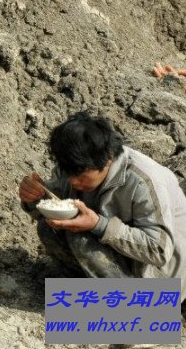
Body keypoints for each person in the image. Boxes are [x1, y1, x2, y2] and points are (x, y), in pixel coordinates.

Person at [19, 112, 186, 300]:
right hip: (126, 262)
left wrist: (99, 225)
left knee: (80, 240)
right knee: (48, 228)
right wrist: (35, 197)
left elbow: (159, 251)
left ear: (107, 160)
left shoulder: (144, 181)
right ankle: (95, 294)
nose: (72, 181)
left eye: (80, 174)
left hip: (162, 282)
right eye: (67, 172)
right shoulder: (74, 165)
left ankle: (137, 306)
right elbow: (57, 205)